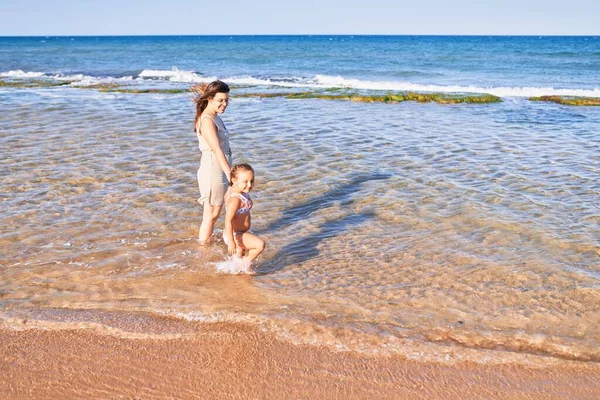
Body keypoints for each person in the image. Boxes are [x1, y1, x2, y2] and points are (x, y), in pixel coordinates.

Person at [192, 80, 232, 244]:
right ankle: (203, 249)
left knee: (214, 213)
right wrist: (231, 176)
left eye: (226, 100)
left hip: (219, 169)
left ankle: (206, 243)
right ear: (210, 99)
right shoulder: (207, 120)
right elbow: (217, 150)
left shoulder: (215, 117)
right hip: (213, 172)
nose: (224, 104)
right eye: (220, 100)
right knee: (211, 215)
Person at [223, 163, 266, 265]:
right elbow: (228, 221)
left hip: (240, 233)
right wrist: (231, 242)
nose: (250, 185)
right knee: (260, 245)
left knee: (236, 263)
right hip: (235, 235)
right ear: (234, 180)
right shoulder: (235, 200)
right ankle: (245, 263)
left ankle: (239, 270)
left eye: (251, 181)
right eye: (245, 182)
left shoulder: (242, 191)